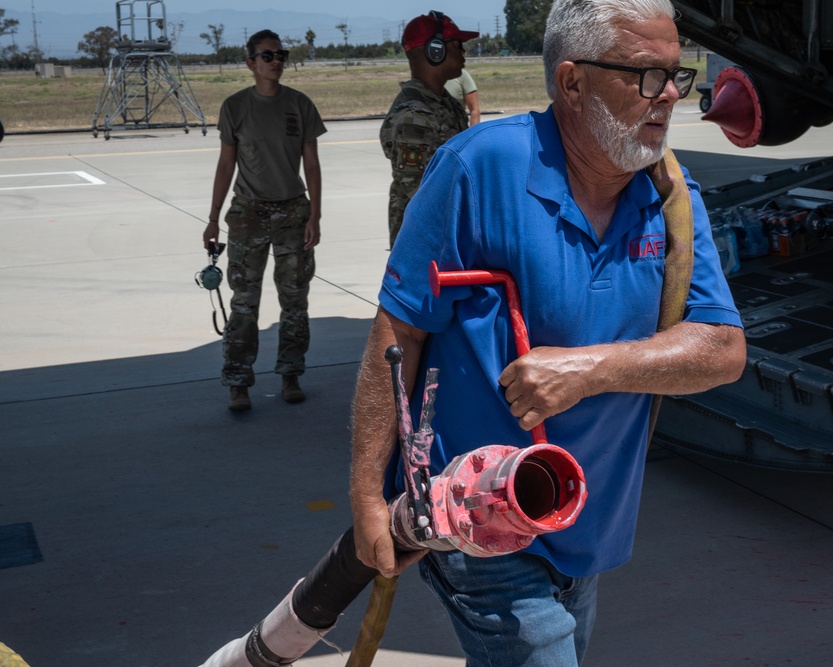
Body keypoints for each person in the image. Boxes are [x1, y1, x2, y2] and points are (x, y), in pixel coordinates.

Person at [350, 0, 746, 664]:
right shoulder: (478, 169)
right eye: (647, 75)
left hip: (583, 520)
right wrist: (367, 493)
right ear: (571, 82)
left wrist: (590, 369)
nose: (672, 94)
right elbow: (400, 331)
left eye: (680, 73)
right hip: (478, 517)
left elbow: (722, 348)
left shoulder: (673, 199)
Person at [202, 29, 326, 413]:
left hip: (293, 212)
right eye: (267, 56)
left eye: (280, 55)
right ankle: (238, 382)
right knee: (244, 302)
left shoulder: (300, 105)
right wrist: (212, 219)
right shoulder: (235, 107)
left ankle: (291, 374)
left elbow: (311, 163)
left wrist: (315, 215)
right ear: (250, 63)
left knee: (294, 300)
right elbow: (226, 164)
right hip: (248, 214)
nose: (276, 62)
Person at [379, 11, 478, 248]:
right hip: (424, 244)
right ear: (436, 50)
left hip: (445, 236)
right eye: (458, 45)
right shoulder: (414, 116)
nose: (464, 53)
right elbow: (419, 192)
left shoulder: (446, 104)